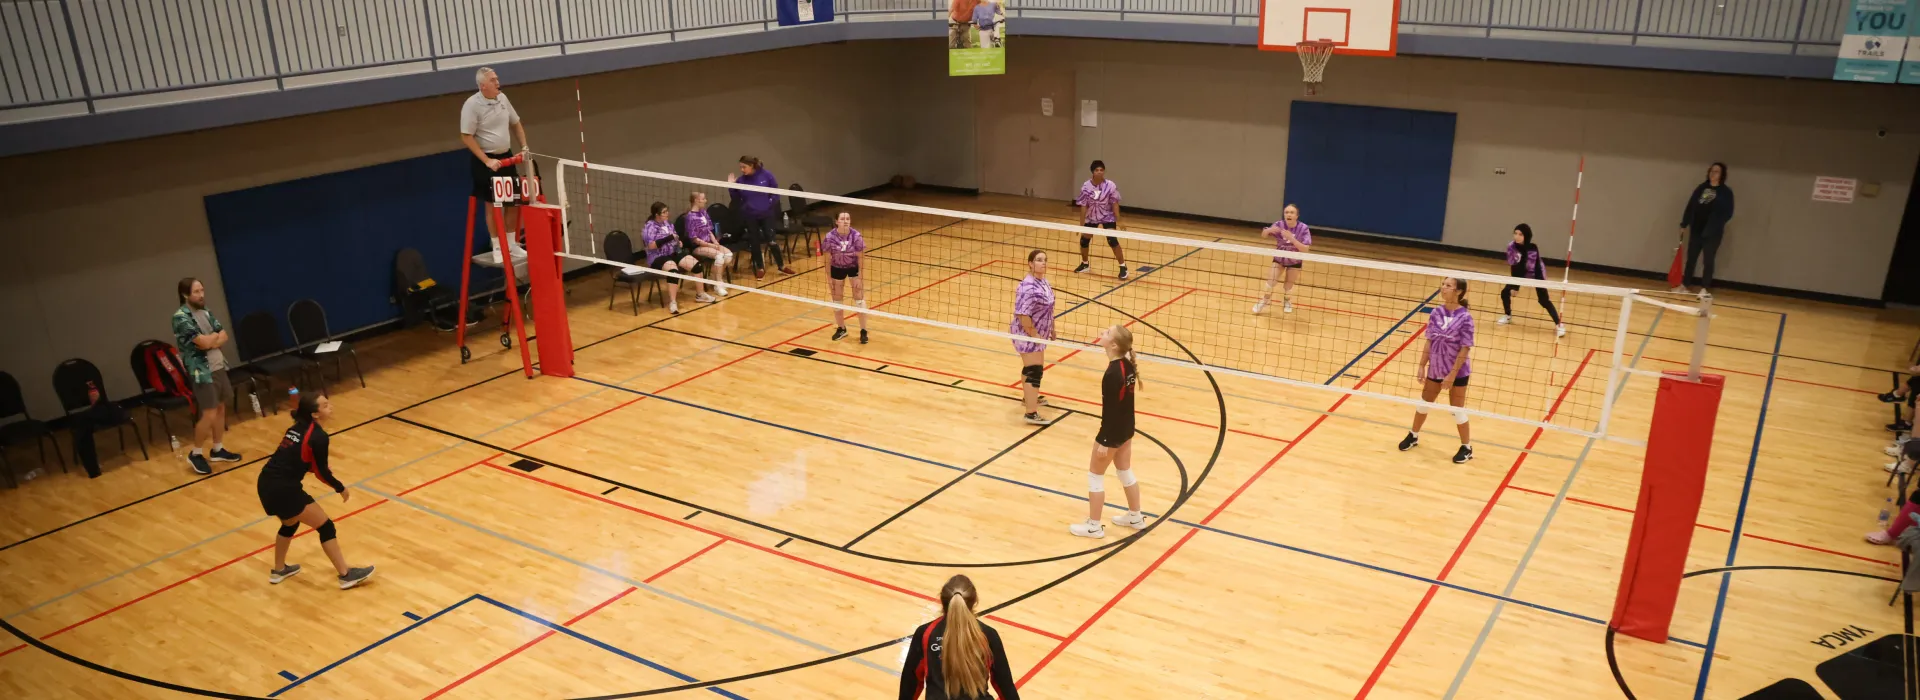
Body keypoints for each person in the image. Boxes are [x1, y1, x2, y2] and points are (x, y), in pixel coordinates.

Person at [257, 391, 375, 590]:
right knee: (326, 526)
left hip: (266, 483)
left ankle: (279, 570)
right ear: (315, 414)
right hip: (284, 489)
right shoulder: (318, 436)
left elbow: (299, 458)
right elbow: (320, 472)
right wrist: (340, 487)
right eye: (325, 405)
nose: (331, 407)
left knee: (290, 523)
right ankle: (346, 575)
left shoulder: (296, 428)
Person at [1070, 325, 1149, 538]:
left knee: (1095, 476)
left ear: (1113, 345)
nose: (1102, 333)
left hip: (1112, 432)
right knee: (1124, 471)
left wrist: (1104, 441)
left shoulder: (1113, 373)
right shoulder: (1127, 366)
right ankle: (1135, 516)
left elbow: (1112, 410)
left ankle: (1094, 526)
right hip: (1126, 429)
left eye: (1106, 333)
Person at [898, 574, 1020, 700]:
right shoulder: (988, 635)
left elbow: (910, 684)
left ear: (942, 600)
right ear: (974, 601)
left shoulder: (925, 634)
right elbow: (1005, 686)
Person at [1398, 277, 1476, 464]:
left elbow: (1465, 348)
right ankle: (1413, 435)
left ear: (1458, 292)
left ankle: (1467, 447)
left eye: (1448, 286)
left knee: (1457, 410)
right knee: (1424, 404)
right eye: (1443, 284)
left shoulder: (1465, 317)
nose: (1443, 288)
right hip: (1436, 367)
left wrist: (1451, 375)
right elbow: (1429, 340)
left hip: (1457, 371)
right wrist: (1421, 365)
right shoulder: (1436, 312)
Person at [171, 278, 240, 476]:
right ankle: (196, 453)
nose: (201, 295)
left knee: (220, 408)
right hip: (202, 370)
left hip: (218, 365)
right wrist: (212, 340)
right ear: (185, 295)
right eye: (196, 292)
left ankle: (217, 449)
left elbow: (224, 334)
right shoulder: (181, 317)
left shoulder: (206, 311)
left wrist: (213, 340)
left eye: (202, 290)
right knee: (209, 412)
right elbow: (201, 343)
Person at [459, 67, 531, 253]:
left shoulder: (503, 98)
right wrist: (486, 161)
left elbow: (516, 123)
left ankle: (511, 243)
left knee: (513, 202)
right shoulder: (471, 105)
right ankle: (497, 246)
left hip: (506, 156)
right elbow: (466, 136)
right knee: (492, 205)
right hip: (486, 161)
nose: (497, 82)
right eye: (493, 80)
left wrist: (524, 147)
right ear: (483, 86)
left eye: (497, 78)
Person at [727, 156, 795, 280]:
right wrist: (731, 186)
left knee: (772, 240)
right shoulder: (741, 181)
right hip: (750, 216)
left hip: (766, 215)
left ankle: (781, 265)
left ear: (752, 166)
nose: (742, 170)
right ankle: (760, 268)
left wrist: (769, 204)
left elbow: (775, 192)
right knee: (755, 242)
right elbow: (735, 198)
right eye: (740, 167)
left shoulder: (766, 175)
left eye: (744, 167)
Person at [1011, 250, 1059, 426]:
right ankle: (1031, 413)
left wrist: (1052, 329)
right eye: (1039, 260)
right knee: (1034, 370)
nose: (1043, 263)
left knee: (1032, 368)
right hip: (1027, 333)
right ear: (1030, 263)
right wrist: (1036, 336)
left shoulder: (1043, 281)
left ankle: (1029, 398)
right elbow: (1023, 316)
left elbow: (1049, 307)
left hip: (1039, 333)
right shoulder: (1027, 286)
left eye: (1045, 260)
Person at [1674, 162, 1733, 294]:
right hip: (1697, 229)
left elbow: (1728, 213)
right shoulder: (1702, 188)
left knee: (1708, 260)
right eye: (1711, 171)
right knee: (1691, 258)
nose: (1713, 174)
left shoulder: (1725, 193)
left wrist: (1716, 224)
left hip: (1712, 233)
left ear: (1722, 175)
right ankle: (1685, 284)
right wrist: (1684, 223)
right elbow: (1691, 205)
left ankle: (1705, 288)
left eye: (1716, 171)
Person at [1499, 224, 1566, 338]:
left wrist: (1540, 282)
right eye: (1515, 233)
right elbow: (1514, 266)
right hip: (1519, 273)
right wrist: (1516, 286)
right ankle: (1508, 315)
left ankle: (1559, 325)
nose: (1517, 237)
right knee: (1505, 292)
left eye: (1520, 234)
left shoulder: (1533, 248)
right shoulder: (1511, 247)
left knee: (1544, 300)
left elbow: (1536, 267)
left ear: (1526, 236)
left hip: (1536, 273)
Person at [642, 202, 703, 314]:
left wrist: (678, 242)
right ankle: (673, 303)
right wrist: (669, 237)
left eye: (667, 211)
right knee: (673, 272)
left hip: (672, 252)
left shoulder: (668, 223)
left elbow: (675, 236)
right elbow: (651, 246)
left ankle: (700, 295)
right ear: (657, 215)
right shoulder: (650, 226)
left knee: (697, 265)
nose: (667, 213)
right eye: (664, 212)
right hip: (657, 256)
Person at [1253, 204, 1311, 314]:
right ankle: (1265, 300)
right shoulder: (1279, 225)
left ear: (1297, 216)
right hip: (1279, 258)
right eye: (1286, 212)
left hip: (1295, 260)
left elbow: (1305, 249)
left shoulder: (1304, 228)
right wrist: (1268, 230)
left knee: (1288, 286)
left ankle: (1287, 301)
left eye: (1291, 212)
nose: (1288, 214)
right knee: (1271, 282)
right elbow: (1264, 235)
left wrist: (1291, 239)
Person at [1072, 161, 1127, 279]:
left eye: (1101, 170)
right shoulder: (1086, 186)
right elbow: (1083, 205)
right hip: (1091, 217)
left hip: (1107, 216)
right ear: (1092, 172)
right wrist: (1081, 225)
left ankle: (1123, 267)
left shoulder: (1110, 185)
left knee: (1112, 240)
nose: (1099, 172)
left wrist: (1120, 220)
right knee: (1084, 240)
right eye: (1097, 170)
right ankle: (1085, 264)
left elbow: (1115, 203)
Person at [823, 212, 870, 344]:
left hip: (852, 267)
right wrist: (829, 278)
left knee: (859, 298)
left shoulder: (856, 236)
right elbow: (826, 259)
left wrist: (860, 276)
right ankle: (841, 328)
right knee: (837, 298)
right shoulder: (830, 237)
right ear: (836, 221)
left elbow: (861, 256)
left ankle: (863, 331)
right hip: (836, 268)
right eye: (843, 219)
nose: (846, 221)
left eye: (848, 219)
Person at [683, 192, 733, 299]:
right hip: (698, 246)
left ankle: (714, 278)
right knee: (719, 256)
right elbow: (694, 239)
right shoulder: (690, 217)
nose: (706, 201)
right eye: (703, 199)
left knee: (728, 255)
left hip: (709, 243)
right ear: (696, 200)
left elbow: (709, 230)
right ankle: (718, 284)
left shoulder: (703, 212)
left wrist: (715, 242)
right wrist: (710, 245)